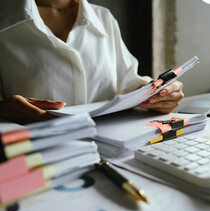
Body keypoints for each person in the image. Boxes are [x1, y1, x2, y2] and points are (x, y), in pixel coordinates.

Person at [0, 0, 184, 124]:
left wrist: (158, 95)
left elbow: (128, 83)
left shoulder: (104, 18)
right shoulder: (4, 23)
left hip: (110, 154)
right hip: (36, 159)